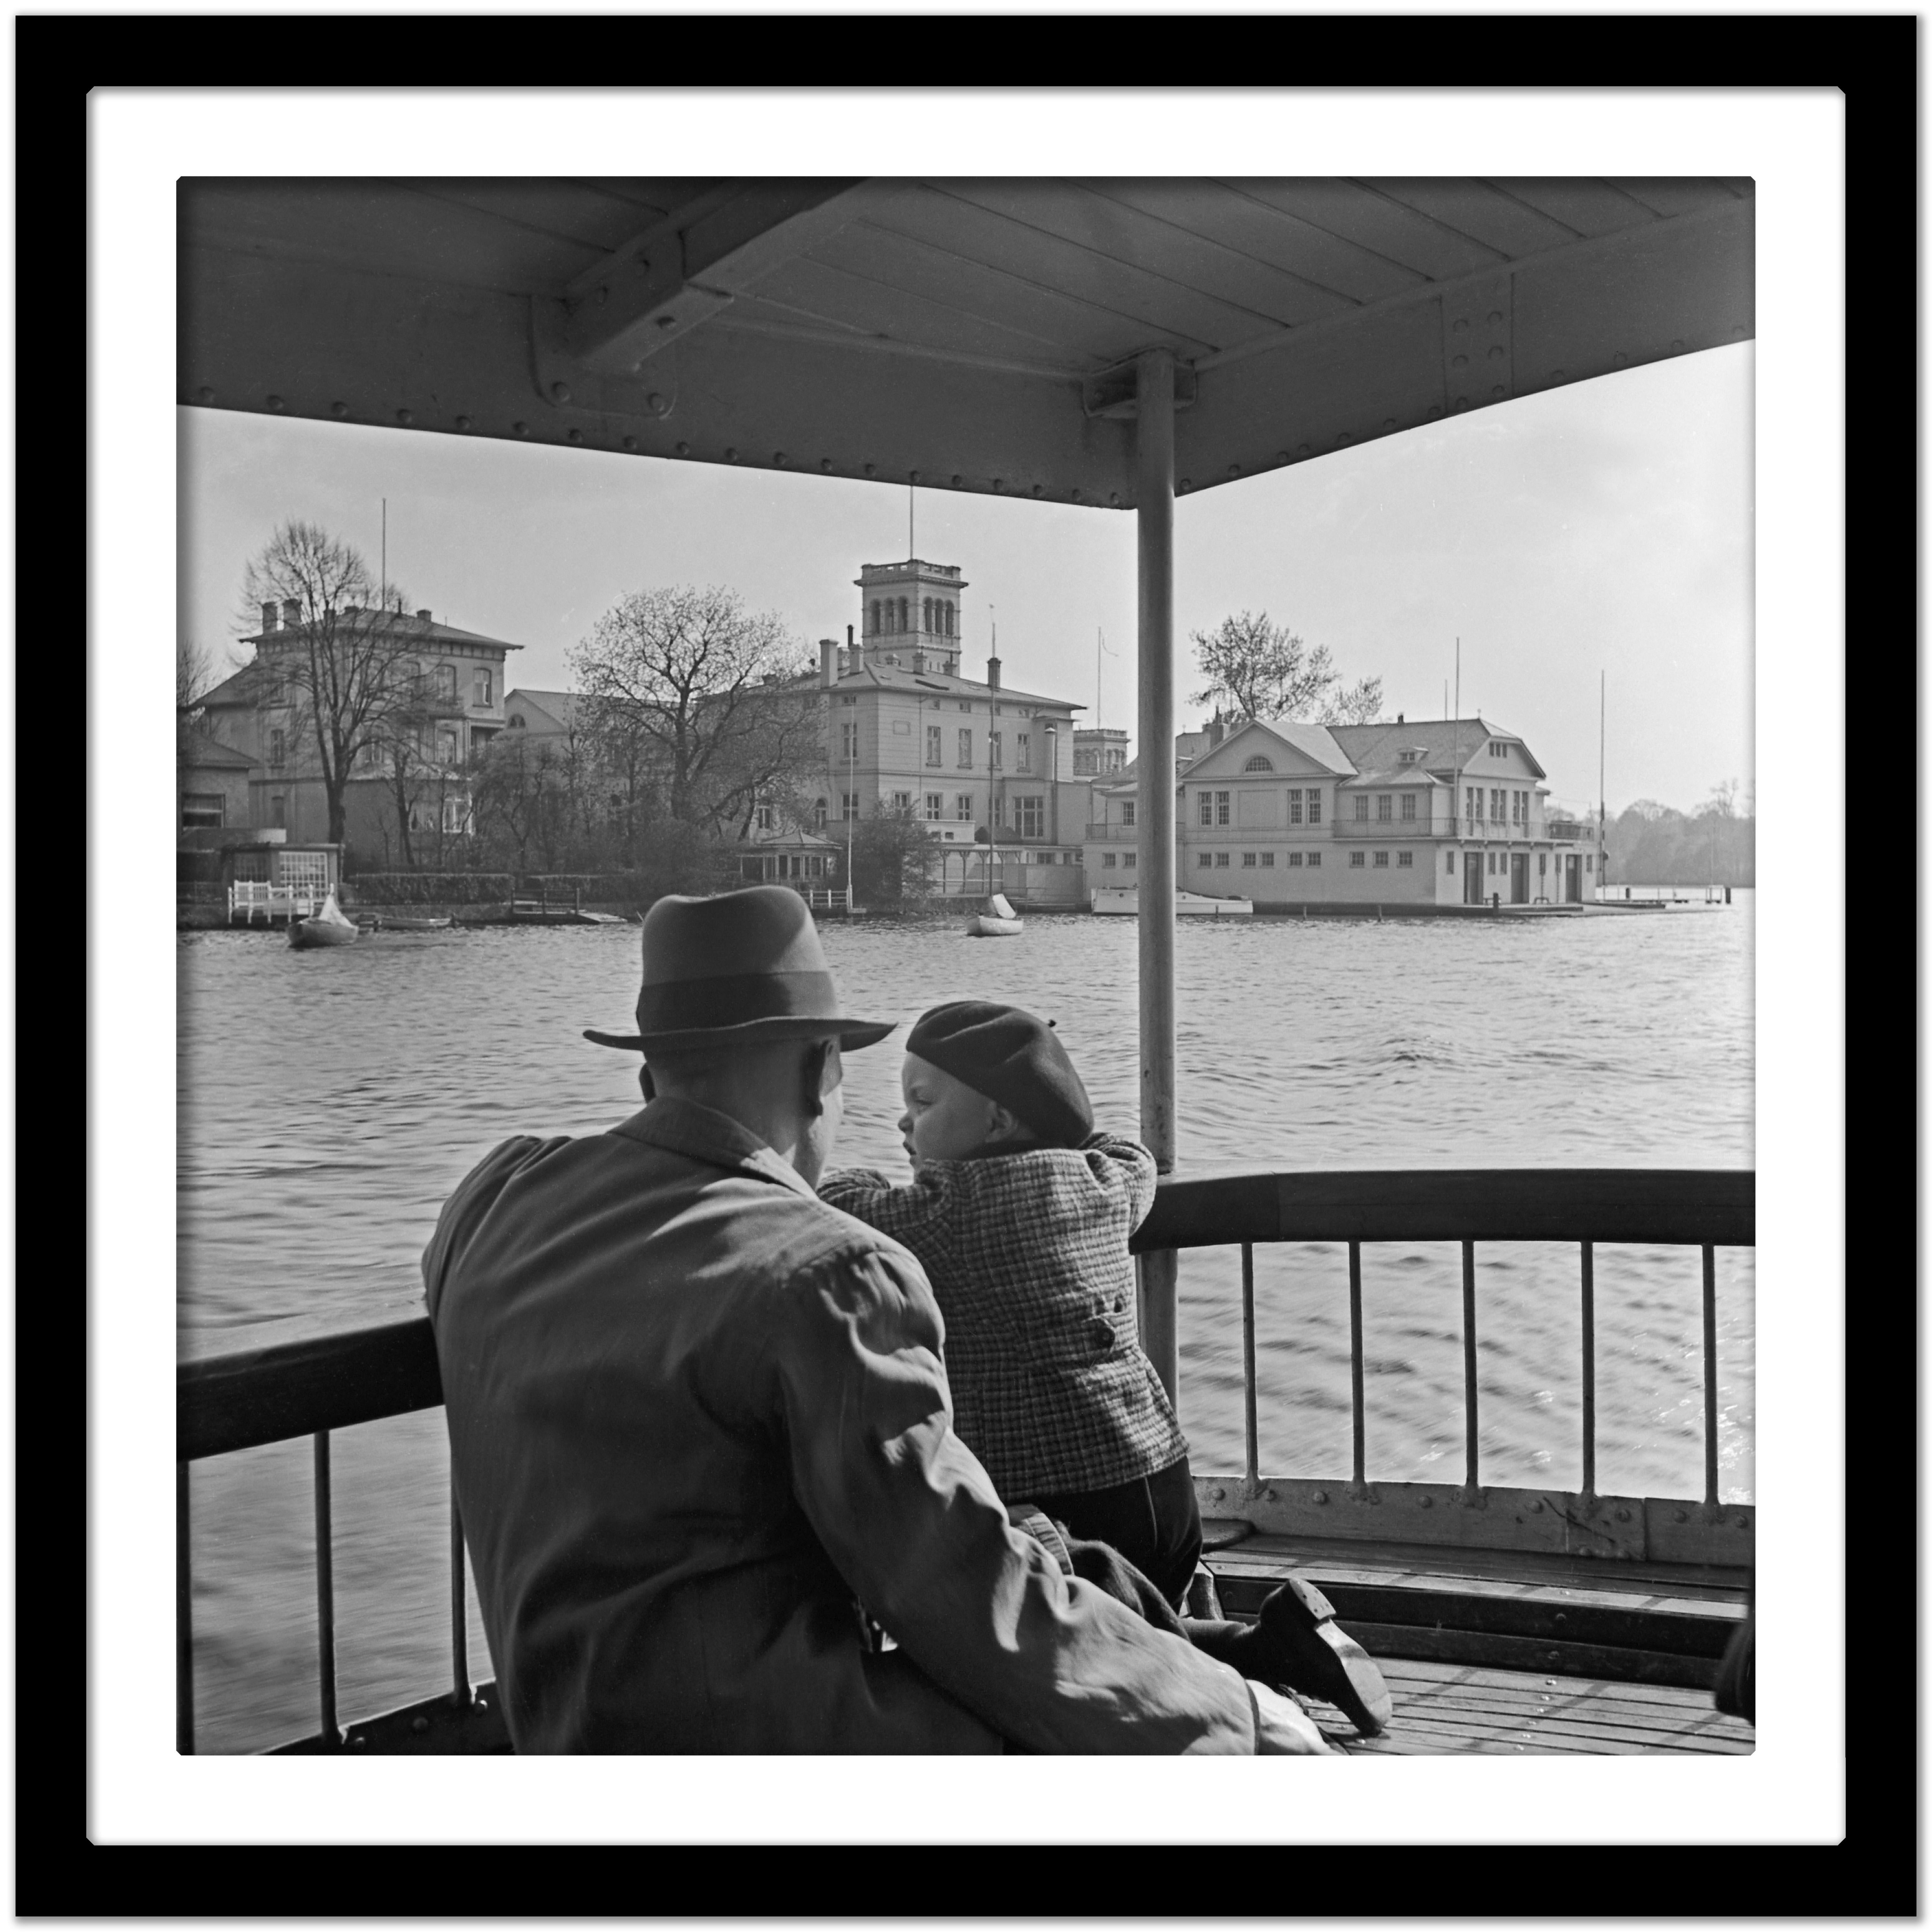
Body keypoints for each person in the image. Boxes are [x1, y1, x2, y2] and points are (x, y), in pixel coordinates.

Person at [422, 885, 1329, 1755]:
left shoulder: (495, 1200)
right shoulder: (831, 1273)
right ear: (822, 1072)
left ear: (648, 1074)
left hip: (564, 1737)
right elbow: (969, 1596)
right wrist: (1232, 1717)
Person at [819, 999, 1391, 1737]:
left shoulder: (934, 1215)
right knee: (1134, 1637)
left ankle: (1261, 1660)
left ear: (996, 1122)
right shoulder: (1102, 1182)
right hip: (1160, 1487)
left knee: (1058, 1663)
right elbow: (1131, 1154)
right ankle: (1265, 1644)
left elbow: (832, 1198)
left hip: (1058, 1509)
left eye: (922, 1105)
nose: (903, 1124)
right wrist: (1056, 1119)